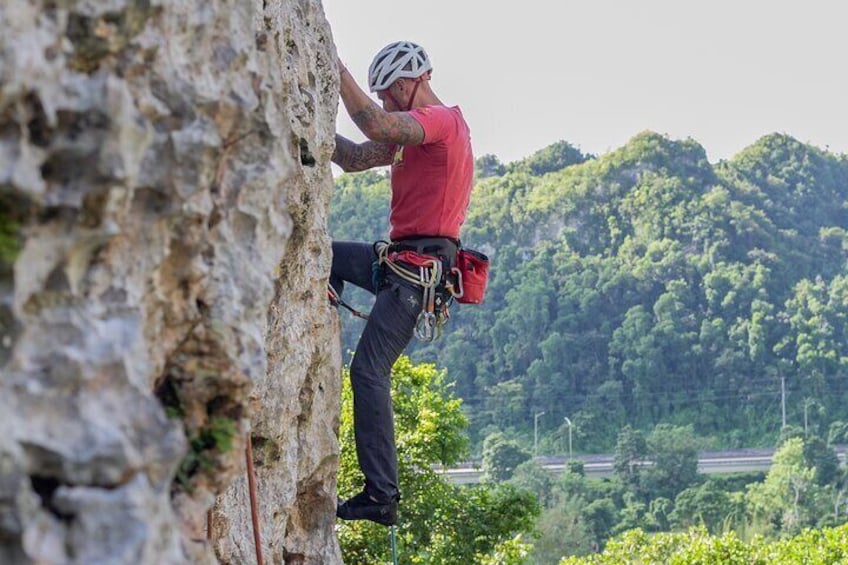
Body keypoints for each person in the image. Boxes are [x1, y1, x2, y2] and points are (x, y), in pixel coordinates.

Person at [330, 40, 474, 526]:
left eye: (390, 93)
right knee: (323, 256)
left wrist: (335, 68)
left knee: (368, 372)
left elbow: (375, 124)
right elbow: (353, 156)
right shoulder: (409, 137)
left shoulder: (441, 122)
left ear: (411, 83)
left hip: (415, 277)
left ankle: (381, 495)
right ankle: (325, 297)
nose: (387, 102)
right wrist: (304, 131)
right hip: (396, 265)